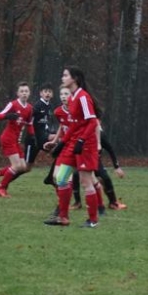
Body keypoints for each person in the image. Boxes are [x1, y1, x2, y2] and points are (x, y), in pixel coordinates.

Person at [43, 67, 101, 228]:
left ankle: (93, 220)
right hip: (73, 143)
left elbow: (92, 122)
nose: (62, 78)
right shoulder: (73, 98)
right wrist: (61, 142)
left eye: (65, 75)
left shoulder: (83, 97)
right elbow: (73, 125)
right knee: (61, 178)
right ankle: (63, 217)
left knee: (86, 182)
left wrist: (81, 140)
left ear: (74, 78)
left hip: (86, 145)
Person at [0, 82, 35, 197]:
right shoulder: (13, 104)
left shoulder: (29, 108)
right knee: (16, 166)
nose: (24, 93)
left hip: (16, 140)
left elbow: (29, 124)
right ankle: (1, 188)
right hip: (8, 138)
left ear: (29, 93)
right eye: (22, 91)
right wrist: (8, 116)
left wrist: (32, 136)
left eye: (26, 91)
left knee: (23, 167)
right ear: (18, 93)